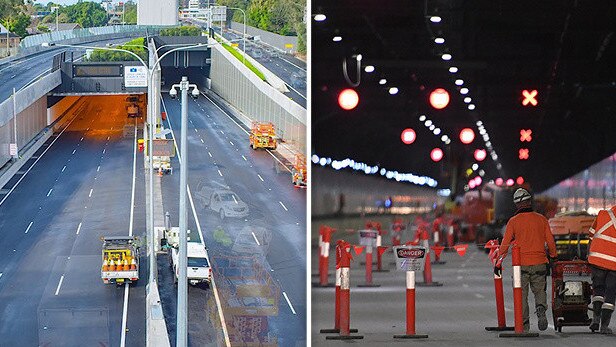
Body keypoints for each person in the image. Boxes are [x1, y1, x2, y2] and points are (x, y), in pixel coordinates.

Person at [494, 188, 557, 332]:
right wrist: (553, 256)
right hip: (540, 263)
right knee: (540, 290)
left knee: (521, 295)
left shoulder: (513, 221)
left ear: (516, 205)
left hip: (520, 266)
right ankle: (540, 308)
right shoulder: (542, 219)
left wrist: (499, 259)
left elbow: (505, 244)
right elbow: (551, 242)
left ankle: (525, 324)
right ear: (530, 202)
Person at [587, 207, 616, 334]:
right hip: (614, 263)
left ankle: (596, 319)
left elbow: (591, 235)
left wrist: (589, 255)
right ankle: (604, 326)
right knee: (610, 293)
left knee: (598, 289)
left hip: (597, 258)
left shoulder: (603, 214)